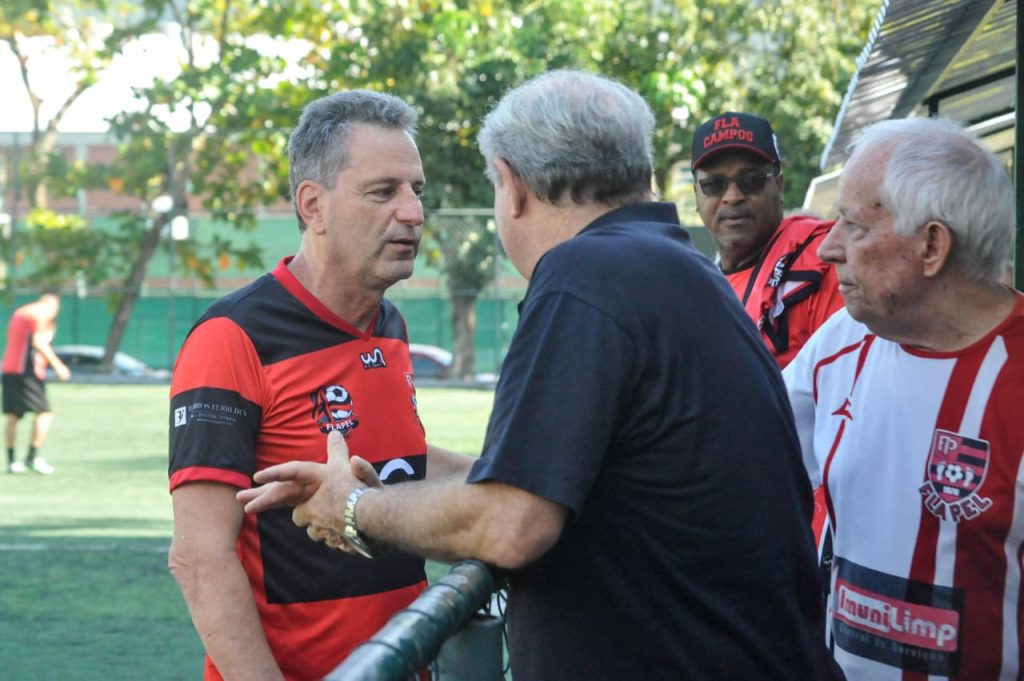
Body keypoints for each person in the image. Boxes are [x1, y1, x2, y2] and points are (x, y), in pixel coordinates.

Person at [240, 70, 842, 681]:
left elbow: (510, 523)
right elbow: (556, 484)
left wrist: (352, 507)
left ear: (513, 186)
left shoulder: (585, 277)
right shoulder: (677, 269)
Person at [168, 90, 469, 680]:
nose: (412, 212)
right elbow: (200, 557)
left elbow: (400, 460)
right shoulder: (233, 336)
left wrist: (525, 479)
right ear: (314, 206)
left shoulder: (389, 326)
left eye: (417, 191)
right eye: (384, 192)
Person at [783, 116, 1021, 680]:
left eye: (851, 224)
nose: (827, 250)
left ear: (932, 245)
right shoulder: (840, 345)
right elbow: (738, 467)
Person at [691, 111, 845, 368]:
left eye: (750, 181)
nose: (732, 196)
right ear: (696, 194)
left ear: (779, 185)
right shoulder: (700, 287)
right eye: (714, 185)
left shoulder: (823, 258)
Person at [2, 291, 71, 475]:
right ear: (53, 306)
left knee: (14, 415)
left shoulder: (22, 312)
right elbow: (40, 342)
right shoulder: (40, 314)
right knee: (44, 413)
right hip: (26, 372)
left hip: (9, 368)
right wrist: (59, 366)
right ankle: (32, 458)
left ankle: (11, 461)